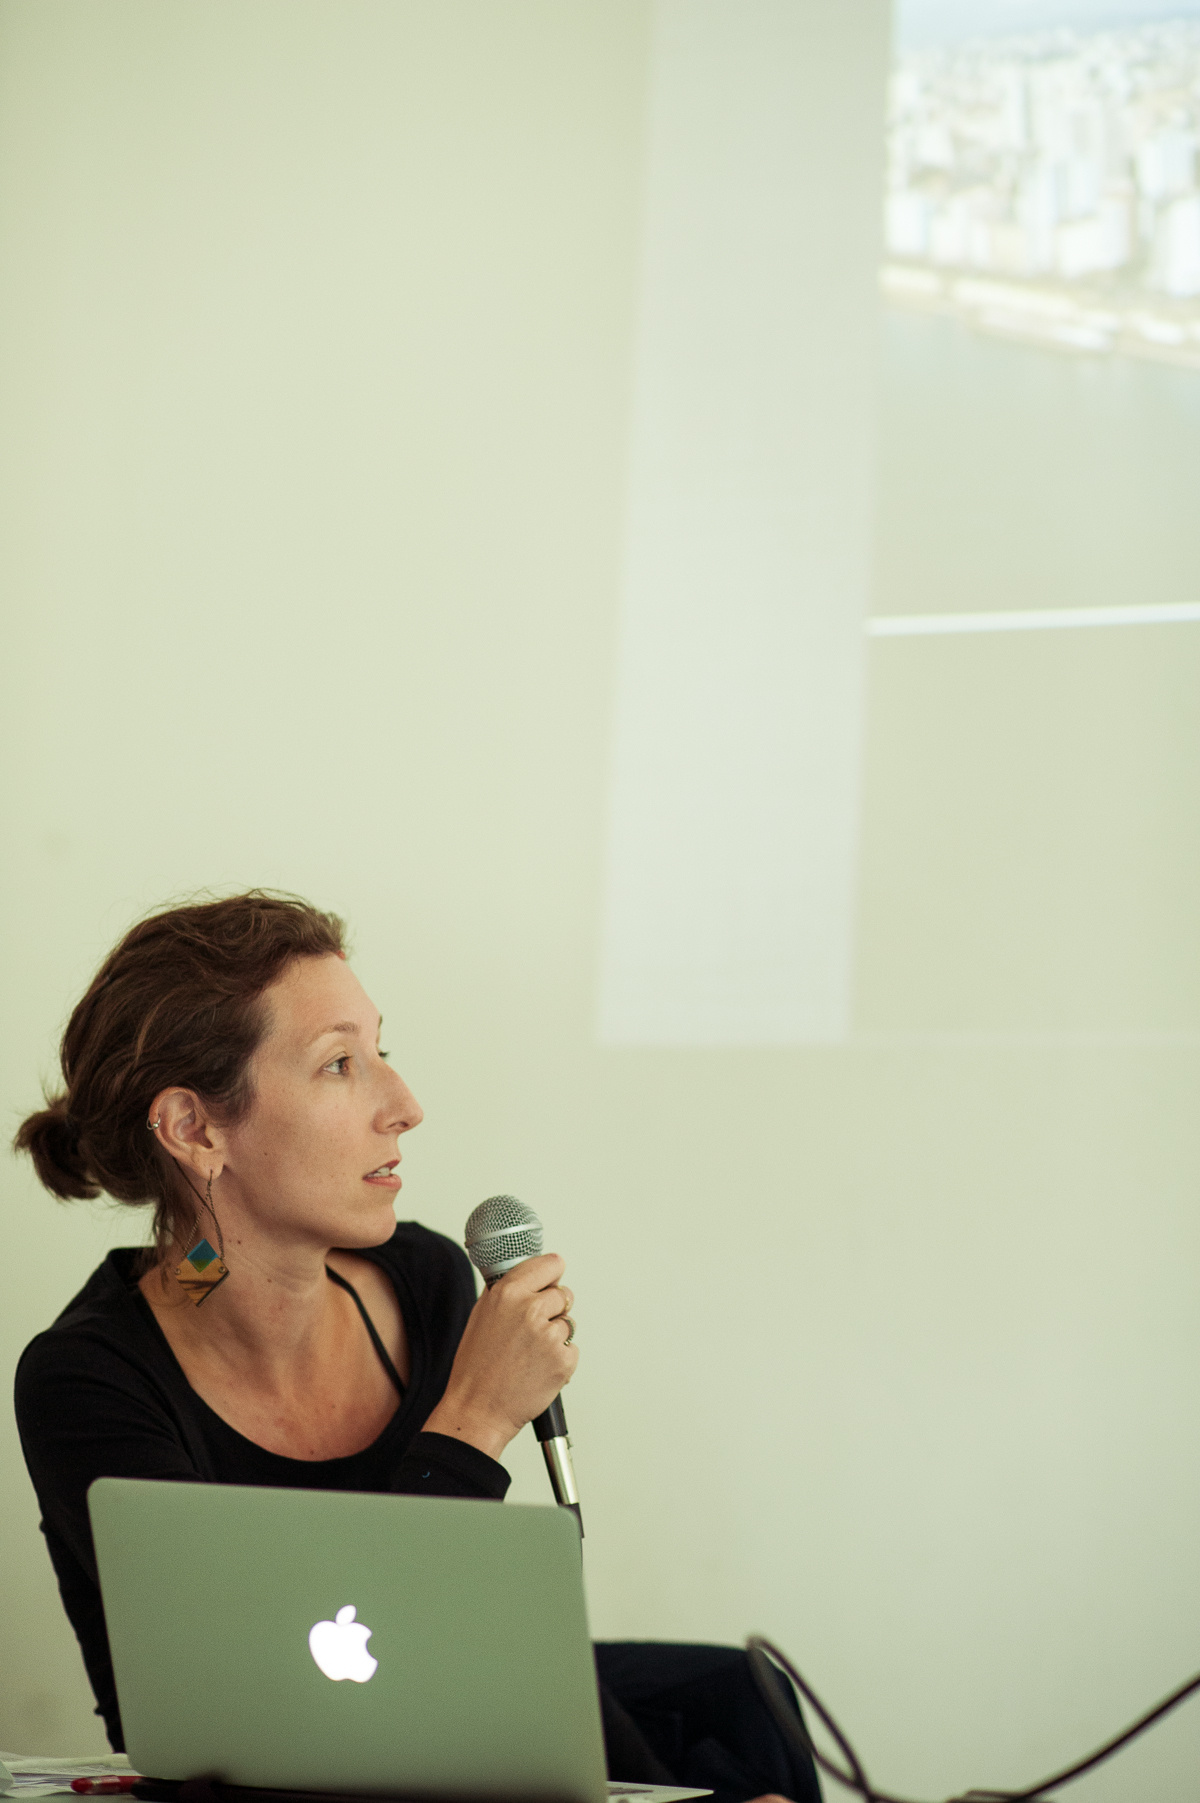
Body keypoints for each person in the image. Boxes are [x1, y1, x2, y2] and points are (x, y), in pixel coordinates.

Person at [13, 892, 820, 1803]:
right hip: (280, 1785)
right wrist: (473, 1419)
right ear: (196, 1129)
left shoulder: (426, 1279)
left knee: (748, 1709)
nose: (404, 1106)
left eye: (382, 1051)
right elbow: (286, 1710)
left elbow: (493, 1640)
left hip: (460, 1741)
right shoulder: (88, 1381)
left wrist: (665, 1793)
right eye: (340, 1064)